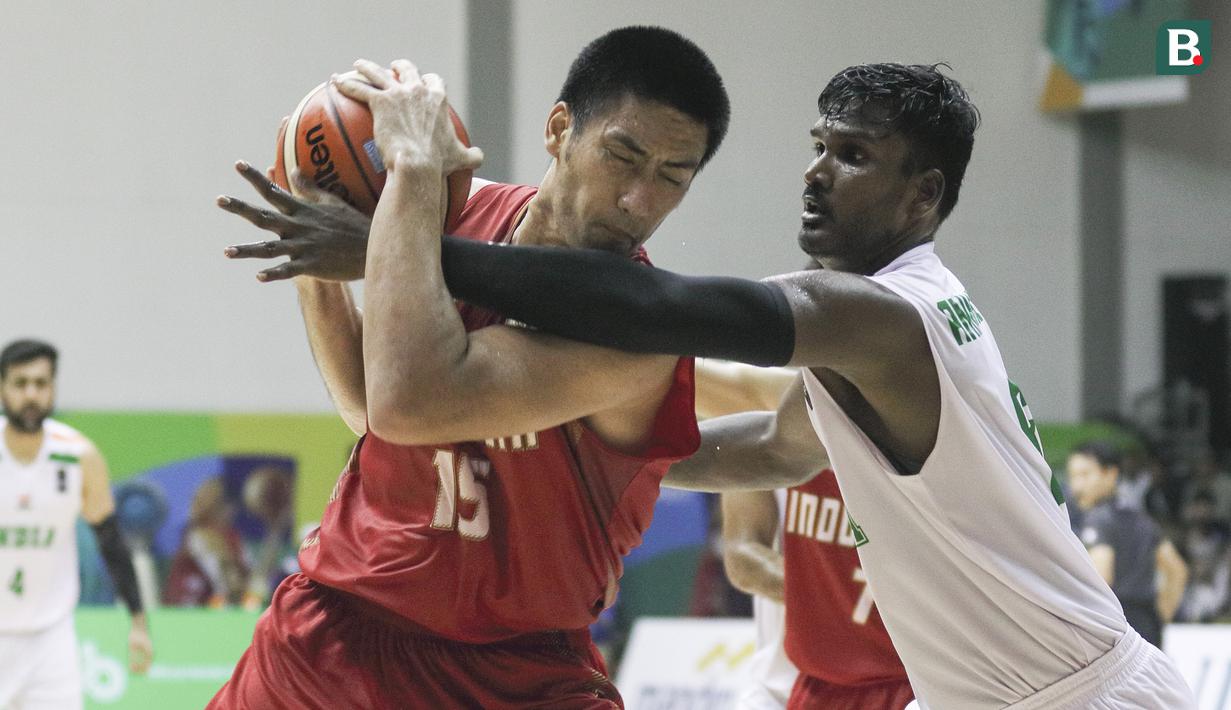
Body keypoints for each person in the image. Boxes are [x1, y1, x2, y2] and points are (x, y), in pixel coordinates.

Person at [403, 63, 1196, 707]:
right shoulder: (882, 331)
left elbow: (660, 305)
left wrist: (411, 248)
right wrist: (603, 451)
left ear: (923, 194)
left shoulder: (882, 316)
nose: (816, 173)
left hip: (1077, 695)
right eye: (819, 145)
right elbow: (777, 448)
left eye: (852, 156)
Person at [212, 27, 728, 708]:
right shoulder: (449, 213)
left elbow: (413, 405)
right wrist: (318, 262)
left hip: (513, 674)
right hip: (335, 630)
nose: (638, 199)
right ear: (557, 129)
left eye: (671, 176)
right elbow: (369, 409)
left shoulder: (639, 333)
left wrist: (413, 179)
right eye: (621, 156)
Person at [701, 362, 912, 709]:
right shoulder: (786, 403)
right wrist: (829, 598)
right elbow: (742, 557)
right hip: (791, 682)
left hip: (907, 680)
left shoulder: (917, 432)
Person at [0, 339, 152, 709]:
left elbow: (110, 540)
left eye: (40, 383)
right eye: (20, 384)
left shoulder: (79, 456)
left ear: (53, 387)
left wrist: (137, 620)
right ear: (3, 388)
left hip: (51, 640)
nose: (31, 394)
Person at [1067, 441, 1189, 648]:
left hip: (1114, 630)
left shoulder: (1098, 520)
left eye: (1085, 475)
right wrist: (1160, 618)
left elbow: (1101, 578)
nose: (1077, 486)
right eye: (1073, 477)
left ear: (1110, 474)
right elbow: (1177, 569)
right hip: (1148, 628)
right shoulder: (1142, 519)